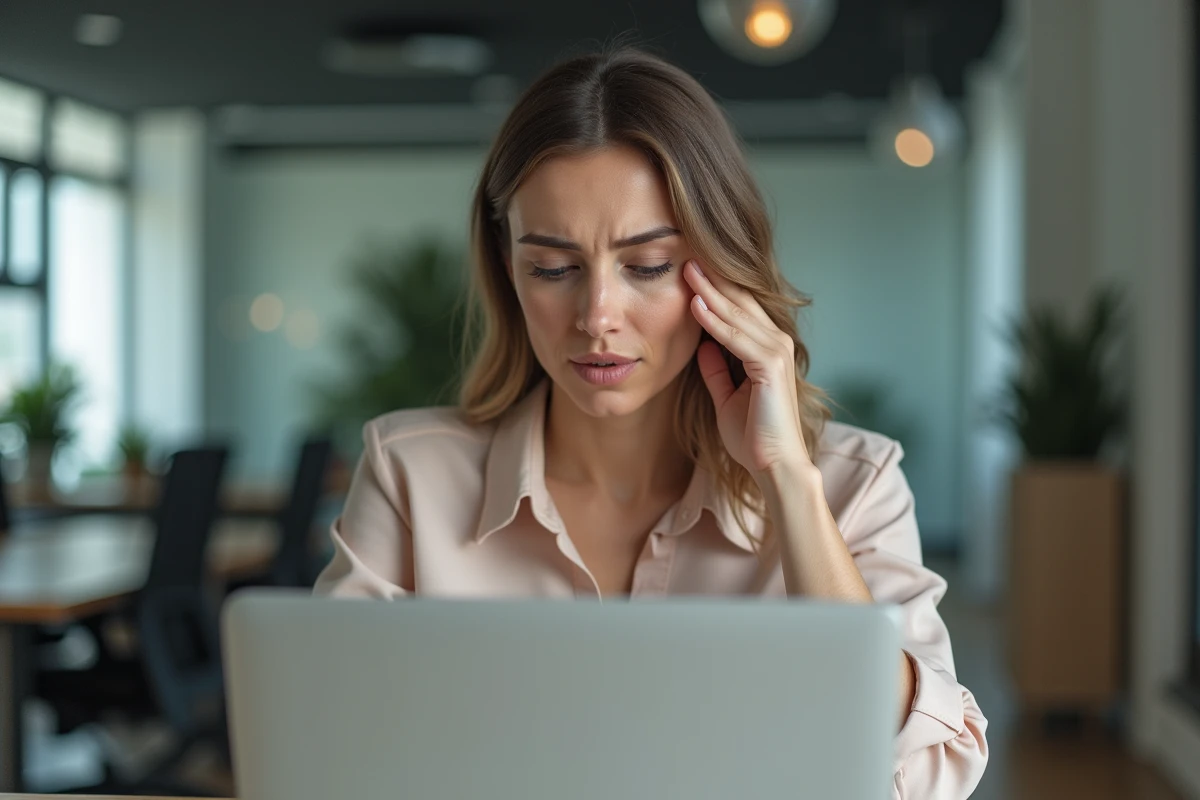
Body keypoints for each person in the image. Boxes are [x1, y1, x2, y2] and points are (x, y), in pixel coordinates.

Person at [313, 46, 988, 799]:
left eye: (648, 265)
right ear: (509, 269)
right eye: (553, 268)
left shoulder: (853, 485)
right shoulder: (410, 473)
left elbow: (927, 783)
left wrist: (789, 481)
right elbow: (319, 757)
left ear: (721, 268)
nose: (597, 317)